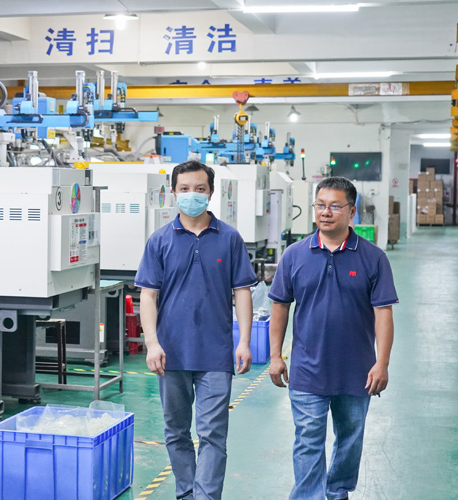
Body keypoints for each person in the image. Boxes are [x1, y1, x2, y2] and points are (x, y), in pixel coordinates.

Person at [268, 176, 397, 500]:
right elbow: (280, 305)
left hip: (357, 370)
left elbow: (383, 313)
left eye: (335, 206)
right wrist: (275, 356)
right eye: (320, 205)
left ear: (352, 211)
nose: (326, 213)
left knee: (350, 438)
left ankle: (337, 490)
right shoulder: (294, 255)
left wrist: (382, 363)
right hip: (307, 368)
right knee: (308, 439)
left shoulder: (373, 258)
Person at [136, 160, 257, 500]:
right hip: (170, 353)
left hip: (216, 353)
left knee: (213, 434)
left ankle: (206, 497)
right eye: (185, 189)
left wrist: (244, 341)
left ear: (211, 193)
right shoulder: (160, 240)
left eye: (200, 189)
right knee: (175, 431)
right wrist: (152, 343)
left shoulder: (230, 238)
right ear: (173, 193)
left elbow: (242, 292)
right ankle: (186, 493)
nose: (192, 195)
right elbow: (148, 295)